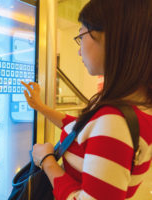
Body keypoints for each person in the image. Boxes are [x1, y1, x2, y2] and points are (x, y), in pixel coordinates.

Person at [21, 0, 152, 199]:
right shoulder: (133, 107)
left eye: (81, 35)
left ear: (112, 38)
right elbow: (82, 130)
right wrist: (40, 107)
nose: (79, 49)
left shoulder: (115, 121)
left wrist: (46, 161)